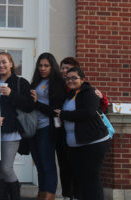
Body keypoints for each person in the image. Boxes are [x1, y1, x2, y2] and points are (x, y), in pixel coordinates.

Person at [0, 52, 35, 200]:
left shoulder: (21, 82)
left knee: (6, 168)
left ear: (11, 63)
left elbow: (29, 106)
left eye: (4, 62)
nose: (1, 65)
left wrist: (11, 94)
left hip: (11, 131)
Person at [54, 67, 110, 200]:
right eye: (68, 78)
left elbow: (88, 113)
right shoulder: (69, 95)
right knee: (80, 180)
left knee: (92, 178)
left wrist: (64, 114)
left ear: (82, 79)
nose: (70, 81)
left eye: (74, 78)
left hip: (94, 142)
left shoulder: (89, 92)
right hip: (76, 145)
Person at [29, 52, 66, 200]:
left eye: (46, 65)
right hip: (33, 128)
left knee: (47, 164)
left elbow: (55, 111)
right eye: (40, 65)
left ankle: (49, 196)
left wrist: (37, 103)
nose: (42, 68)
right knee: (38, 165)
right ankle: (41, 194)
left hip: (47, 128)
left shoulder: (57, 84)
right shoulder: (35, 82)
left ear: (52, 67)